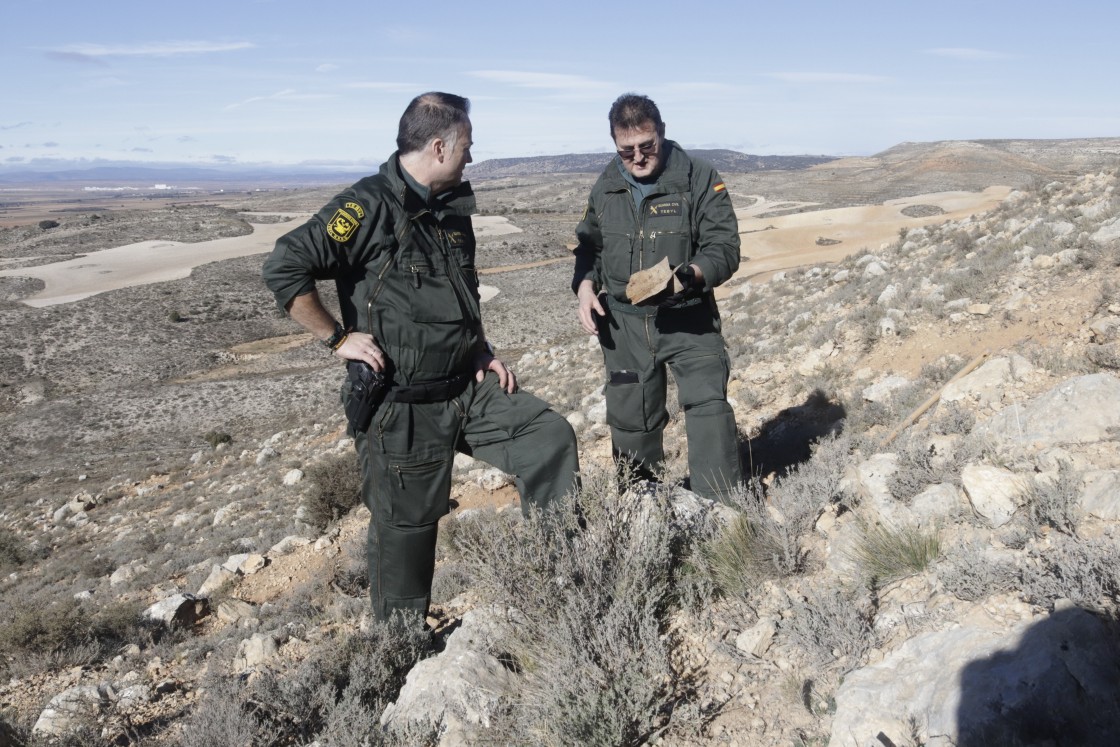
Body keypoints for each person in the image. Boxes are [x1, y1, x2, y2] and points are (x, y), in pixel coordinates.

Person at [263, 92, 580, 621]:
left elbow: (459, 292)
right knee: (406, 532)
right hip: (401, 405)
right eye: (468, 146)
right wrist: (339, 339)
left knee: (547, 438)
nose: (472, 157)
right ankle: (398, 654)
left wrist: (481, 350)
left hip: (466, 387)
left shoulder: (450, 209)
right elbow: (284, 267)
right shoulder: (367, 206)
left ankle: (565, 588)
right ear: (439, 146)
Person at [572, 93, 742, 501]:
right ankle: (641, 511)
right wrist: (583, 287)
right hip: (624, 327)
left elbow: (724, 248)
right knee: (632, 420)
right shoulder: (607, 185)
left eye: (646, 146)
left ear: (661, 134)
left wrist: (685, 277)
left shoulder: (698, 177)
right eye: (626, 150)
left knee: (708, 411)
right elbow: (588, 247)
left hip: (687, 316)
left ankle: (722, 517)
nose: (637, 157)